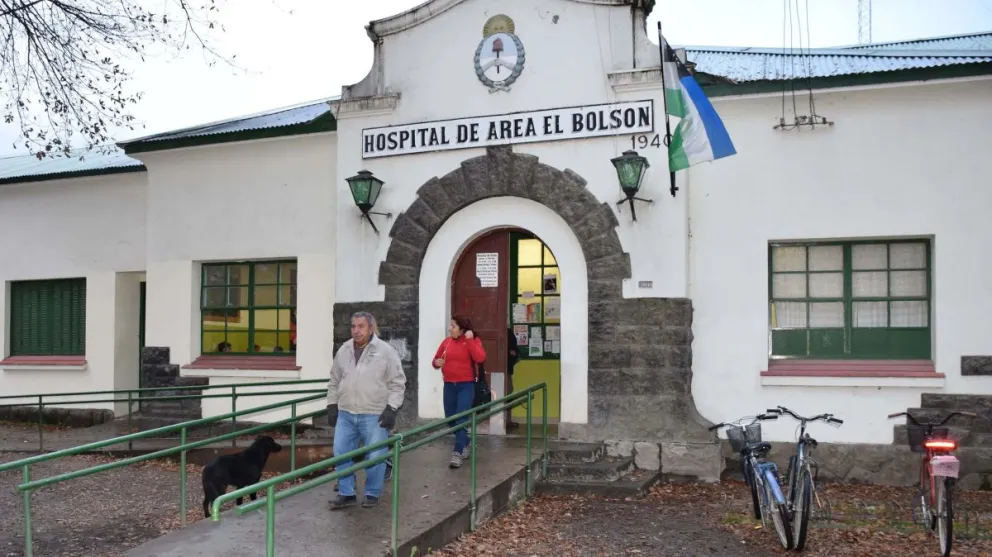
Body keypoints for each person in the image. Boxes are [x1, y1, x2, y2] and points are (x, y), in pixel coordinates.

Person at [326, 311, 406, 509]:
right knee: (341, 452)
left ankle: (372, 492)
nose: (356, 331)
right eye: (353, 326)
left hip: (374, 414)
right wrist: (331, 404)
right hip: (346, 413)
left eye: (361, 326)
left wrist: (392, 408)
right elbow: (334, 381)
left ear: (371, 328)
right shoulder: (344, 350)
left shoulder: (386, 351)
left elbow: (398, 383)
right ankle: (346, 492)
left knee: (374, 456)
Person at [432, 315, 486, 469]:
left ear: (462, 329)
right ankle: (466, 442)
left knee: (461, 418)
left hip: (466, 386)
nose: (450, 328)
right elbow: (435, 359)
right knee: (451, 419)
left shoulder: (472, 340)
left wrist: (469, 340)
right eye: (450, 325)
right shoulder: (447, 342)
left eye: (453, 326)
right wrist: (436, 363)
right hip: (449, 385)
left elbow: (480, 357)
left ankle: (457, 452)